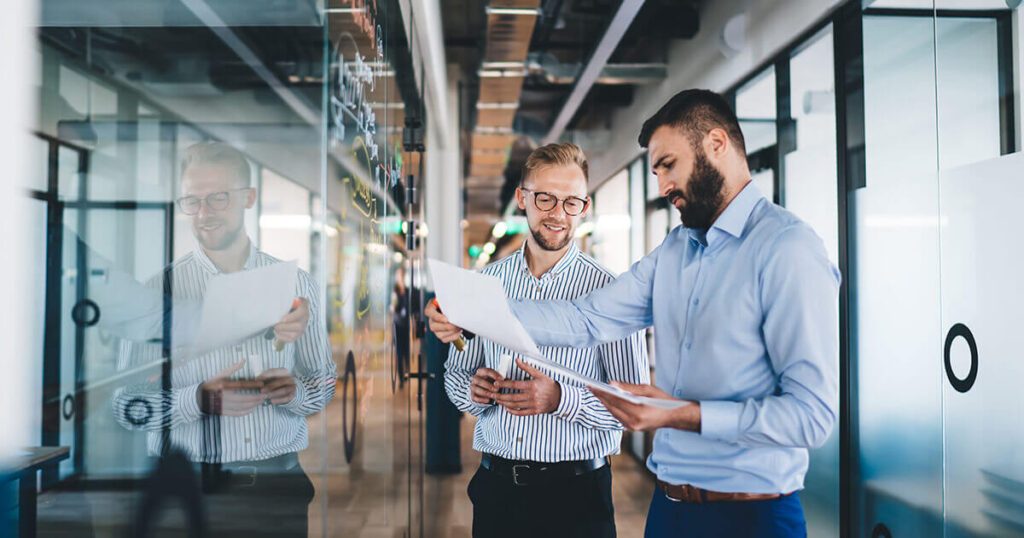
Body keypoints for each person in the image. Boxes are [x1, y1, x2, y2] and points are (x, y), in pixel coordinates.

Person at [428, 90, 839, 537]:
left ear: (717, 144)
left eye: (668, 165)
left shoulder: (787, 248)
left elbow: (813, 415)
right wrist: (471, 310)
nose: (662, 187)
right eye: (657, 171)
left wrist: (683, 413)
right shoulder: (676, 251)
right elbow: (585, 319)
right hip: (669, 508)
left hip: (750, 515)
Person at [112, 141, 337, 537]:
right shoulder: (156, 290)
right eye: (191, 200)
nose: (204, 214)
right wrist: (198, 400)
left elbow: (323, 384)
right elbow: (124, 405)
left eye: (217, 198)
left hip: (278, 489)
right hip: (188, 492)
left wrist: (293, 392)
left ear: (249, 197)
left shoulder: (296, 285)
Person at [428, 142, 649, 538]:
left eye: (572, 202)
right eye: (545, 198)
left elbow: (633, 403)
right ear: (522, 199)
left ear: (585, 206)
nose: (558, 214)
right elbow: (455, 377)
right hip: (497, 490)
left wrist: (562, 399)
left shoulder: (610, 290)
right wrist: (474, 390)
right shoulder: (486, 283)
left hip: (578, 496)